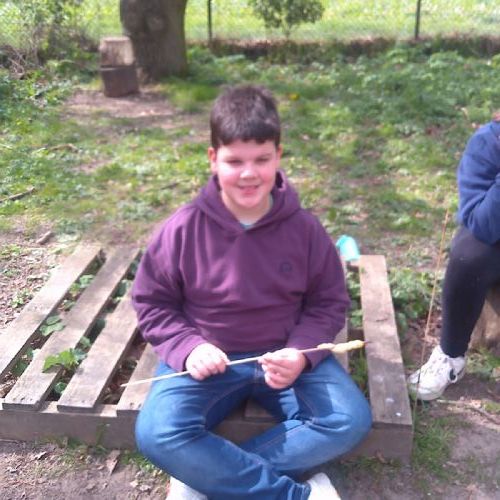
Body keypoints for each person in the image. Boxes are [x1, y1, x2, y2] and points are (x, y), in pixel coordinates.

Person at [132, 84, 372, 500]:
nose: (248, 174)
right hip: (209, 361)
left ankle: (202, 475)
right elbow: (153, 303)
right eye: (235, 161)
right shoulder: (182, 228)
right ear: (213, 159)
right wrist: (189, 348)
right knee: (158, 433)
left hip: (285, 359)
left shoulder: (305, 229)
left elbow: (328, 303)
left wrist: (301, 353)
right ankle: (295, 495)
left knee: (347, 420)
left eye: (261, 159)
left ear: (278, 156)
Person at [408, 116, 500, 401]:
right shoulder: (488, 142)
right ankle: (450, 356)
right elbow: (480, 224)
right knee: (469, 253)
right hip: (495, 239)